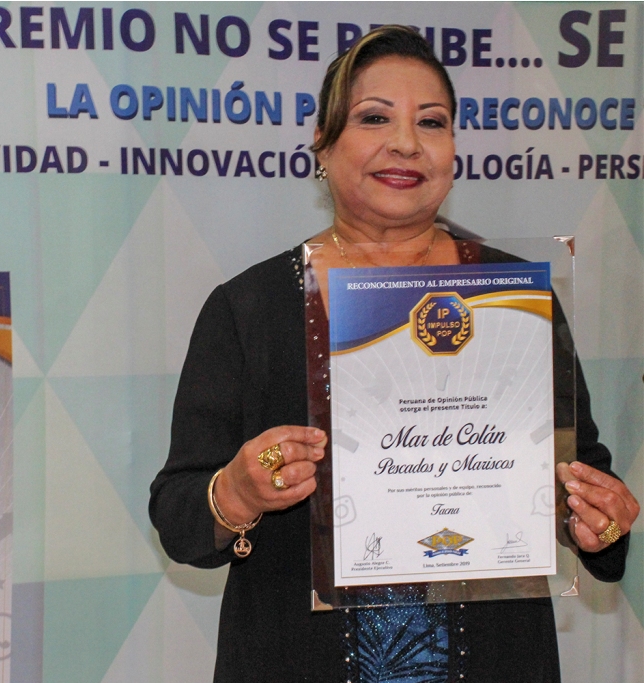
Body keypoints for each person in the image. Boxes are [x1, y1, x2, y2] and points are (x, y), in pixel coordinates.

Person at [149, 25, 639, 683]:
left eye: (431, 122)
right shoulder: (250, 308)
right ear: (322, 144)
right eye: (374, 117)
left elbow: (582, 479)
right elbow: (180, 517)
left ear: (454, 151)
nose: (406, 142)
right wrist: (235, 492)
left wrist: (598, 520)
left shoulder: (515, 298)